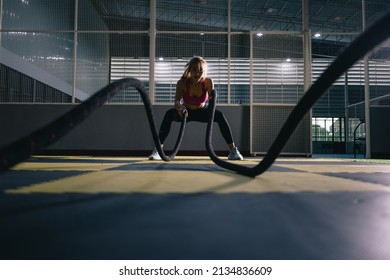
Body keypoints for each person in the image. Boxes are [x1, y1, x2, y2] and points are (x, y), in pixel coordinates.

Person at [149, 56, 243, 160]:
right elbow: (176, 102)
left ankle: (233, 151)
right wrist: (180, 107)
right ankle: (158, 150)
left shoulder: (208, 82)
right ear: (189, 70)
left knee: (220, 116)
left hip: (202, 111)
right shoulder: (182, 83)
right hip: (186, 112)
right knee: (169, 114)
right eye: (194, 69)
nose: (197, 73)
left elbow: (212, 103)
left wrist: (212, 101)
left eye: (201, 71)